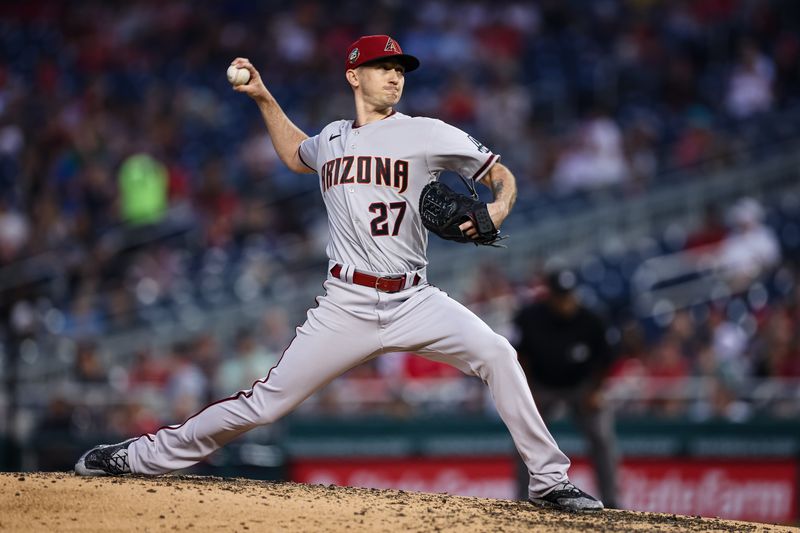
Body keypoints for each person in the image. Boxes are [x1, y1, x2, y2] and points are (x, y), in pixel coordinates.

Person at [75, 35, 602, 512]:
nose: (394, 76)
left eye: (400, 68)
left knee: (498, 353)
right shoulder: (330, 140)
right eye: (381, 67)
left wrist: (500, 208)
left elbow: (501, 175)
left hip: (414, 299)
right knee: (263, 404)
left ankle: (549, 480)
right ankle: (136, 457)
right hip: (344, 304)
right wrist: (263, 97)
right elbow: (295, 155)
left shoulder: (426, 132)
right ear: (354, 76)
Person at [513, 269, 619, 508]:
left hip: (581, 387)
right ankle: (522, 498)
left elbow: (606, 359)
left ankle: (612, 500)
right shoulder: (530, 316)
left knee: (601, 436)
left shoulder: (592, 319)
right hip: (543, 385)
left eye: (569, 295)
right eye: (560, 296)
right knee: (525, 436)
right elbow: (520, 356)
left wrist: (595, 391)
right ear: (549, 295)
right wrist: (527, 392)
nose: (565, 302)